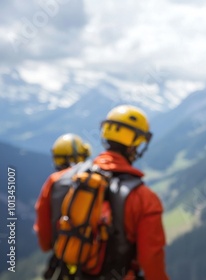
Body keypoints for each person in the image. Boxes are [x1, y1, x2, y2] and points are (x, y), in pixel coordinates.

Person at [35, 105, 170, 280]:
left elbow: (45, 241)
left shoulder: (57, 181)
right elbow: (151, 259)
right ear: (134, 145)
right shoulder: (145, 198)